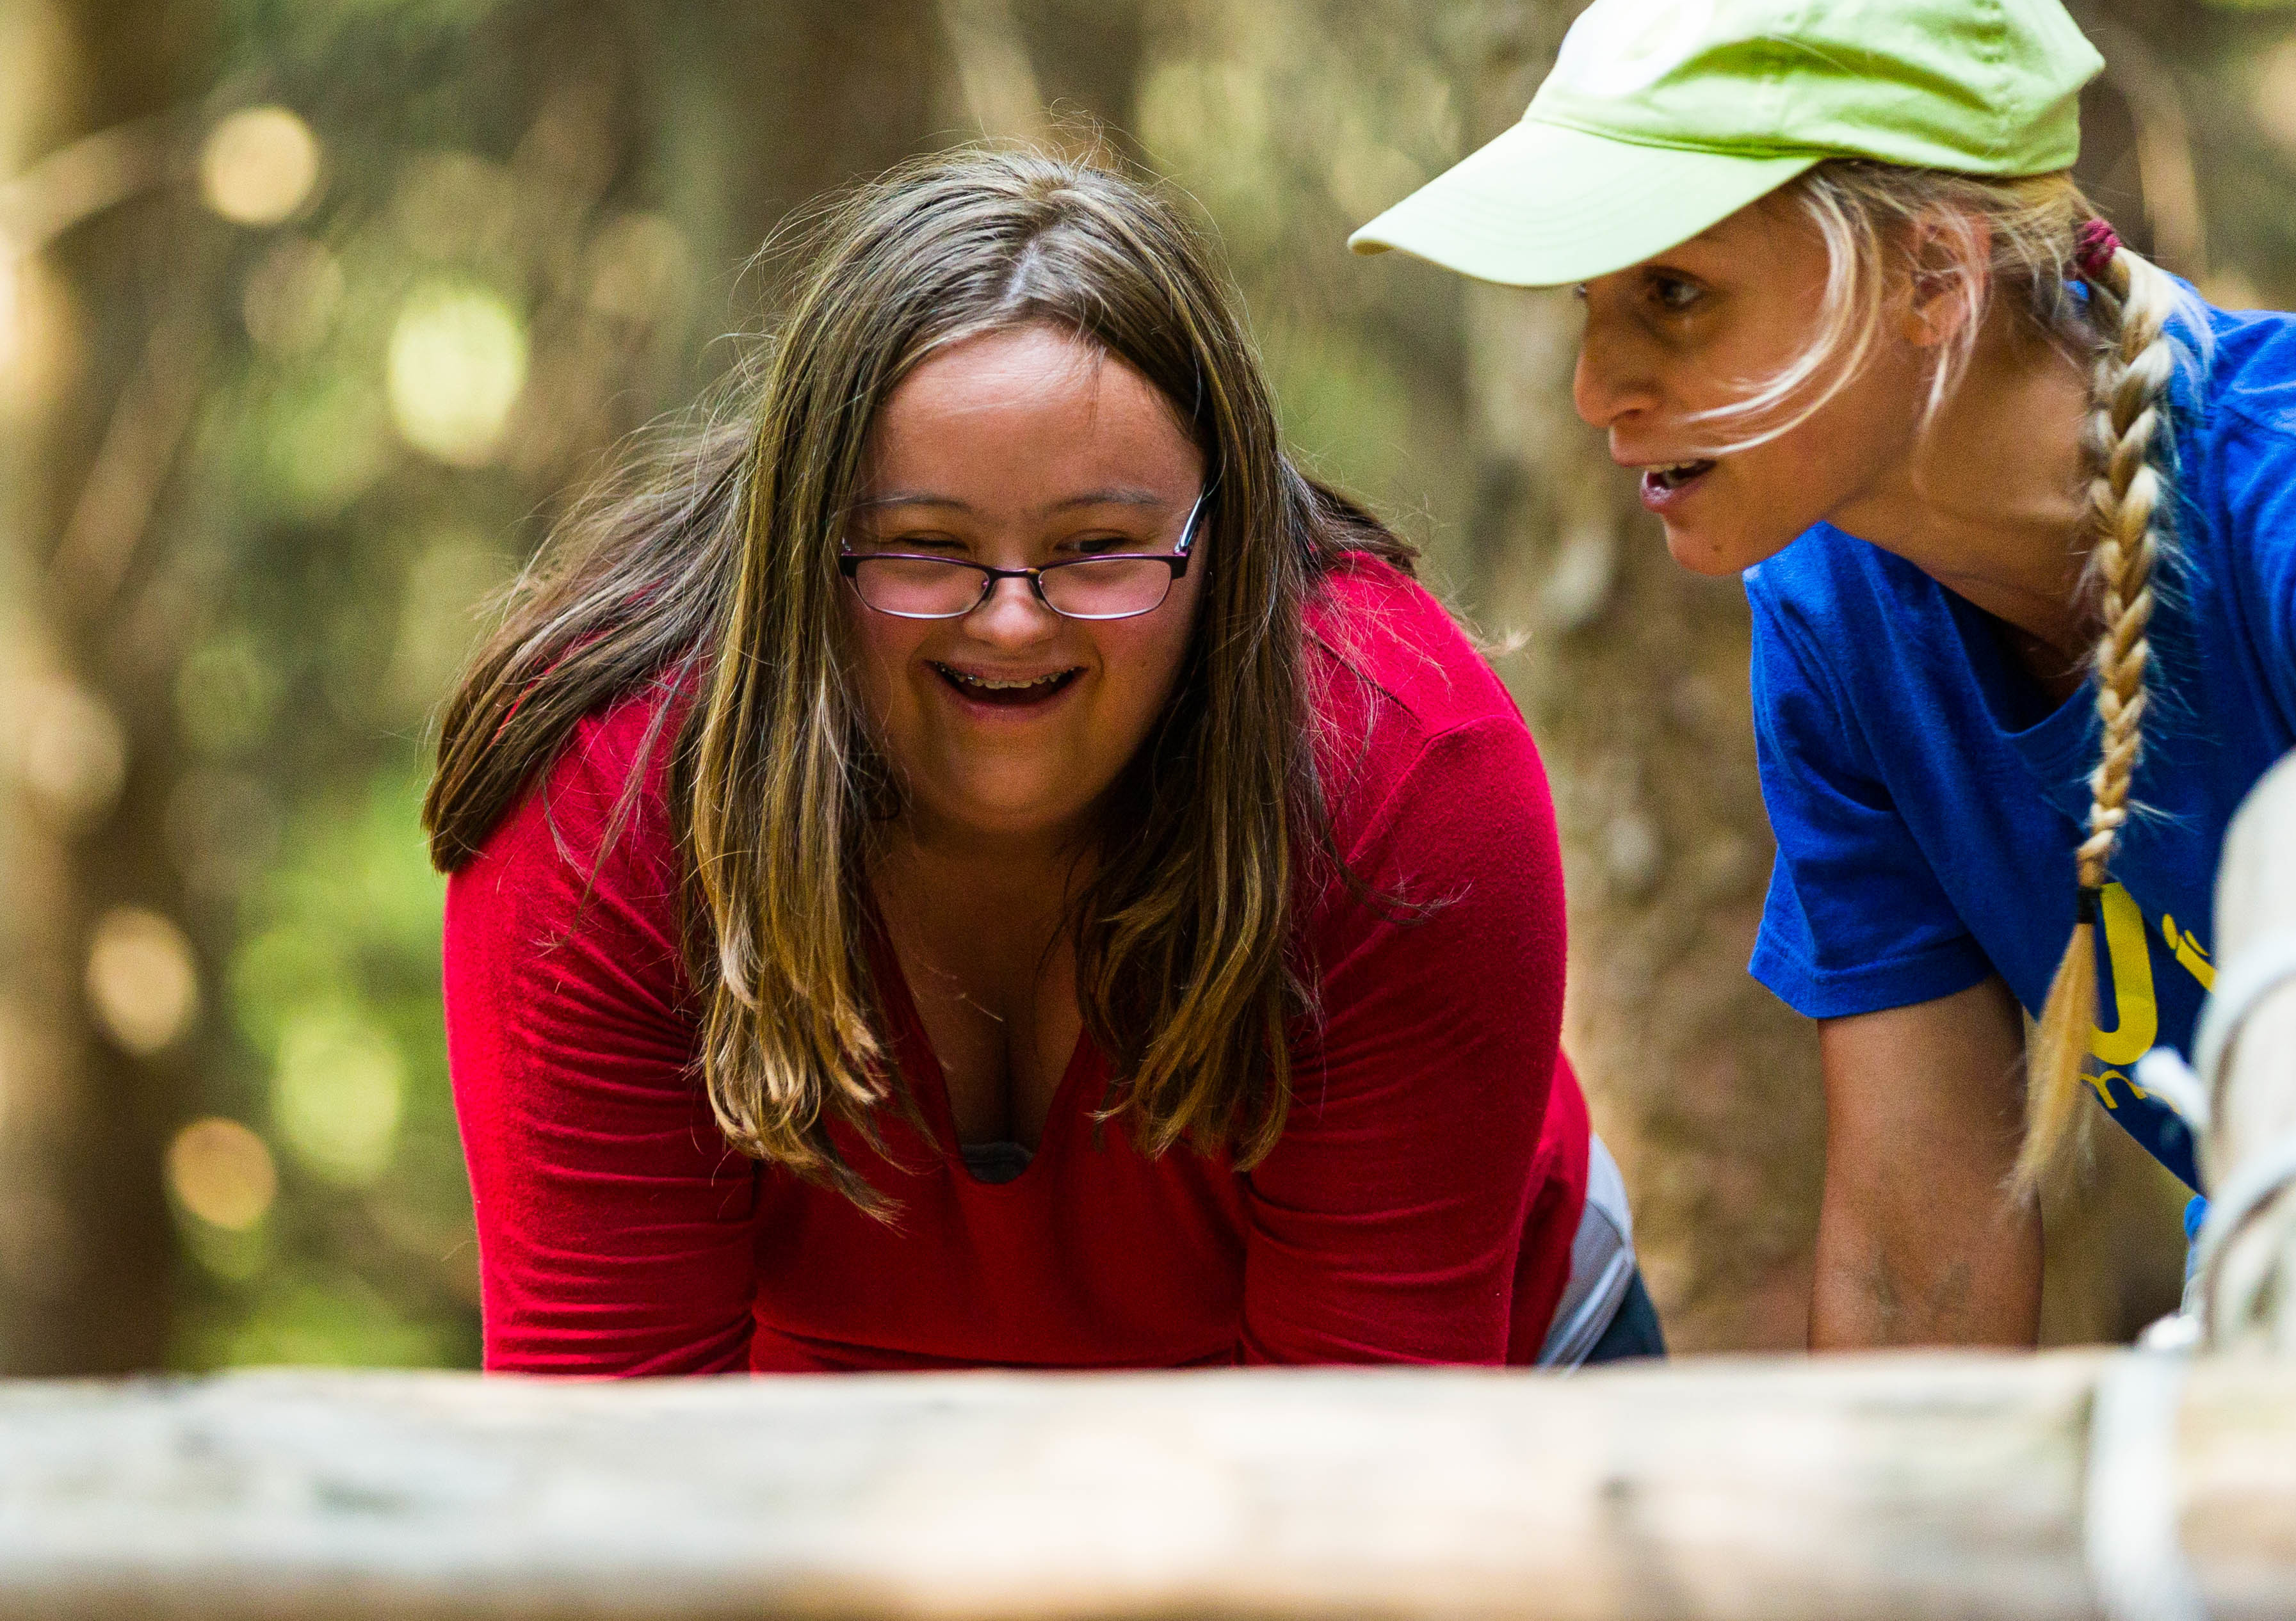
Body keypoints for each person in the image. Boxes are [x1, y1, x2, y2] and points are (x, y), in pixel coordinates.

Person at [1350, 0, 2296, 1347]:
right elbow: (1911, 1268)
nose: (1596, 391)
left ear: (1930, 274)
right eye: (1589, 309)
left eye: (1677, 295)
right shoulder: (1832, 618)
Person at [426, 149, 1658, 1372]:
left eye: (1100, 547)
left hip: (1451, 1395)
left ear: (1224, 539)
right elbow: (619, 1471)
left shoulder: (1404, 774)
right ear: (803, 542)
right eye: (921, 546)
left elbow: (1365, 1495)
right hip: (831, 1448)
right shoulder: (607, 797)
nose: (1012, 619)